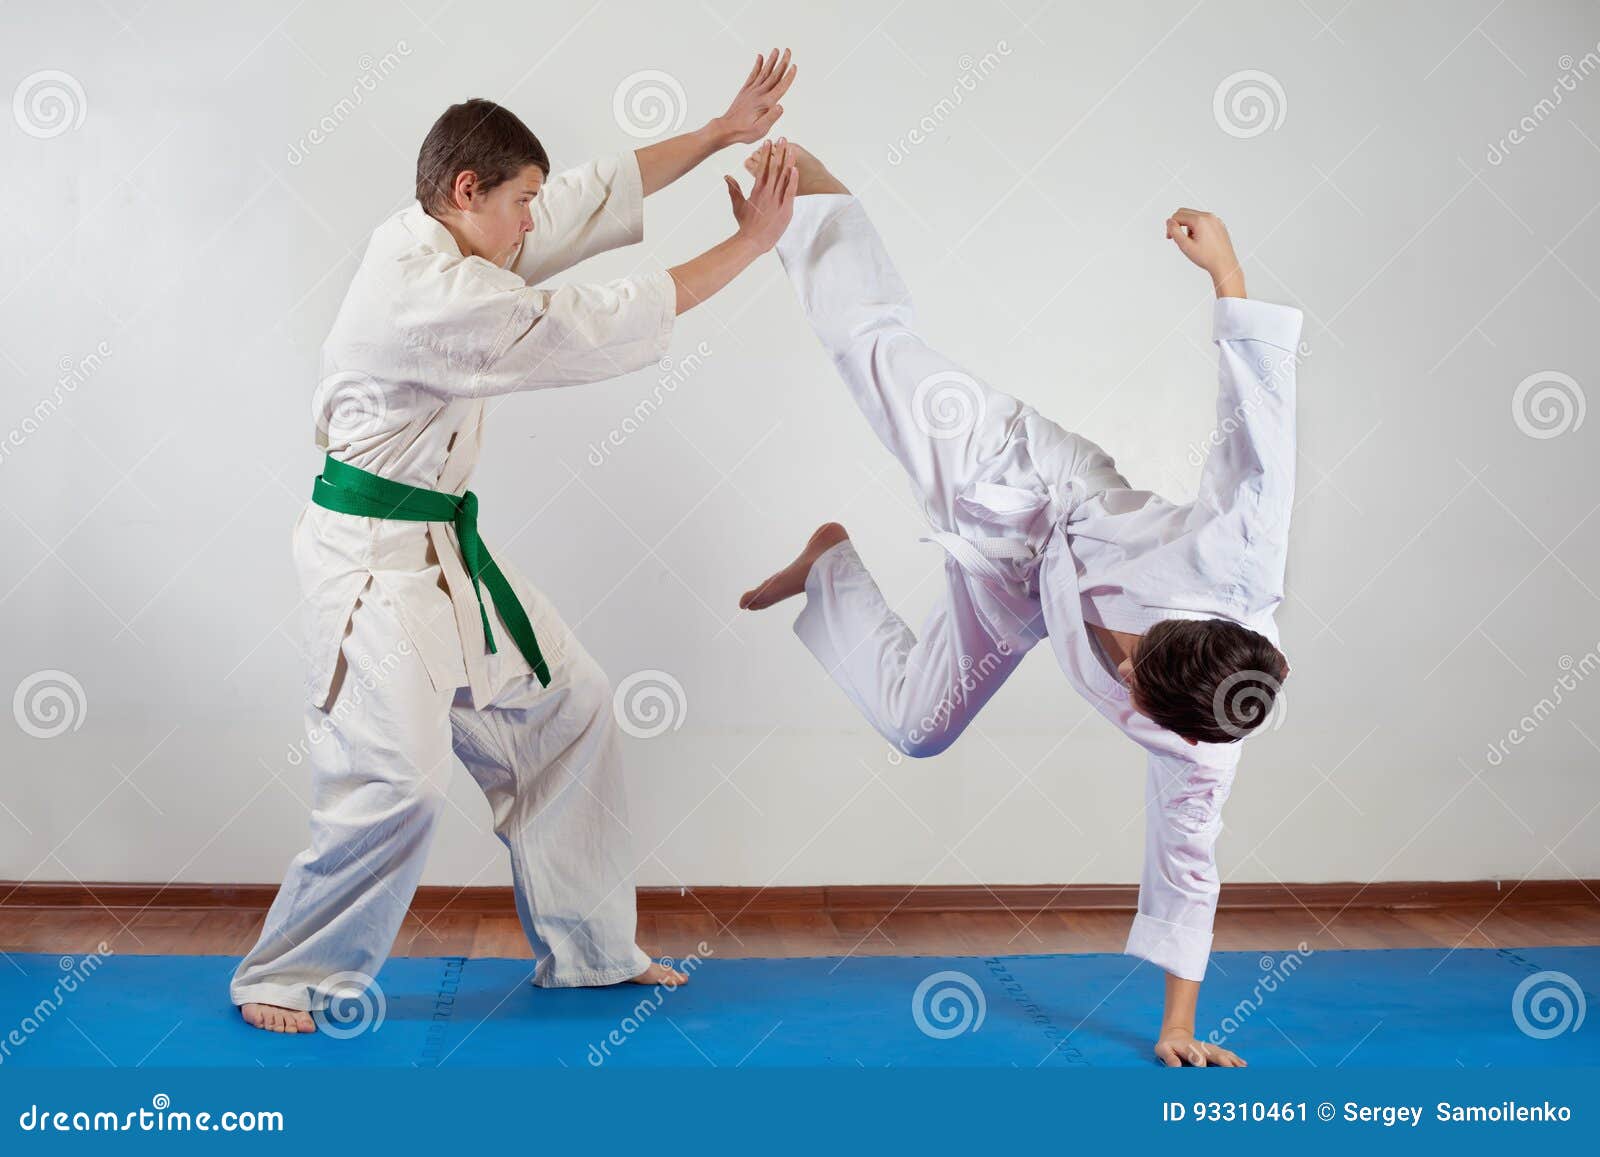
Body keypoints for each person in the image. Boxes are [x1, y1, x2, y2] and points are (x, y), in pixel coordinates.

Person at [232, 52, 802, 1034]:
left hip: (439, 556)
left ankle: (588, 950)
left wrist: (716, 131)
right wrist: (751, 245)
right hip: (371, 567)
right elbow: (583, 324)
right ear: (467, 190)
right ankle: (284, 972)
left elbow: (585, 197)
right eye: (520, 201)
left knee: (570, 706)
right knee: (397, 779)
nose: (535, 221)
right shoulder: (436, 297)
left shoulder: (447, 241)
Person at [738, 145, 1302, 1068]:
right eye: (1136, 656)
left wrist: (1177, 1027)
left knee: (918, 726)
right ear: (1189, 622)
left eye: (1131, 685)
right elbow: (1263, 431)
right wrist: (1227, 268)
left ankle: (829, 561)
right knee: (871, 351)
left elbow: (1187, 867)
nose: (1119, 668)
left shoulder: (1201, 749)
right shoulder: (1239, 551)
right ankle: (805, 183)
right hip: (1031, 479)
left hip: (1021, 592)